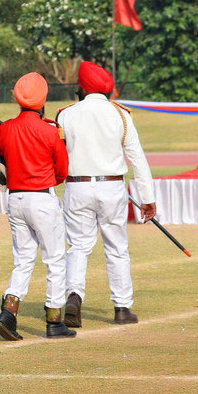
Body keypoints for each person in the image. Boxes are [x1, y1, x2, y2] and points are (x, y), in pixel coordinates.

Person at [56, 61, 156, 327]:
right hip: (112, 186)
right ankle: (122, 308)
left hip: (76, 186)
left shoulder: (65, 114)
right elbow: (138, 158)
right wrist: (147, 198)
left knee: (78, 246)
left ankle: (74, 297)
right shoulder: (121, 114)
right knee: (117, 248)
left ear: (83, 88)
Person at [0, 73, 73, 340]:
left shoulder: (4, 129)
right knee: (55, 260)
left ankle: (9, 313)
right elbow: (62, 171)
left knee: (23, 260)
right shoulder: (50, 130)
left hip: (15, 199)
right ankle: (54, 321)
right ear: (43, 99)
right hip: (42, 198)